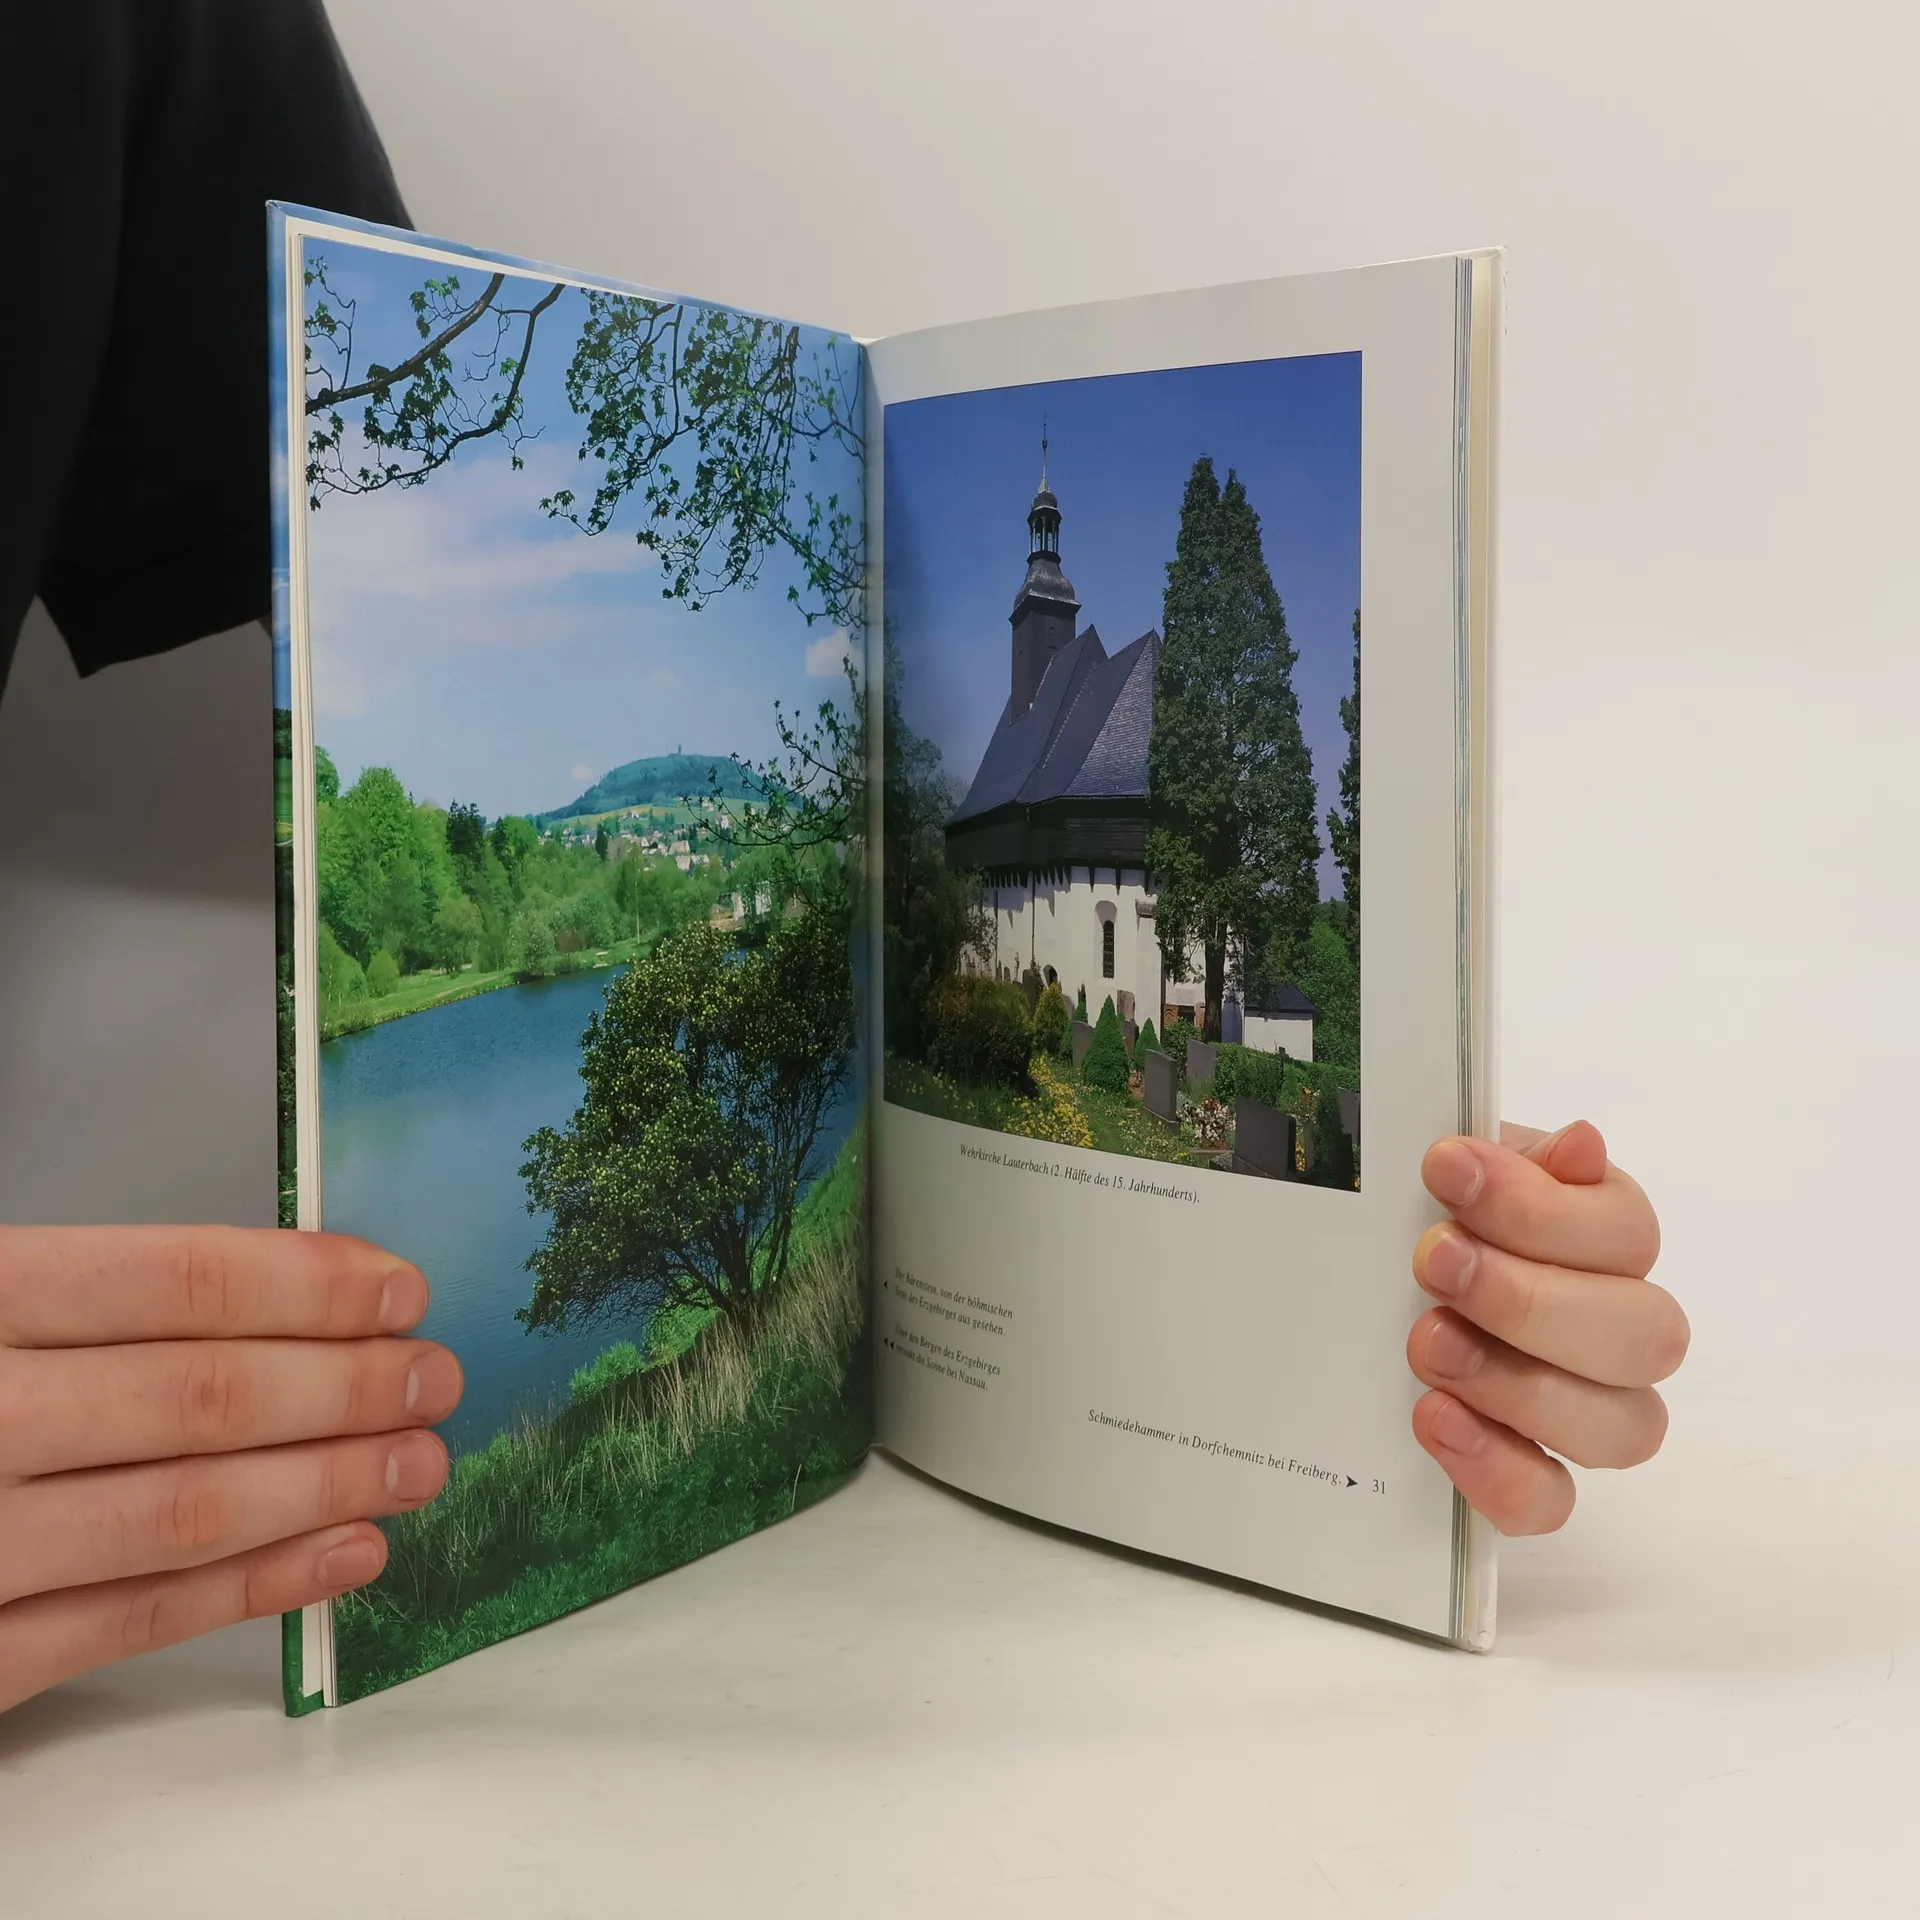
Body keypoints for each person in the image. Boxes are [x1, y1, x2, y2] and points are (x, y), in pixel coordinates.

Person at [0, 3, 1684, 1718]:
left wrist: (1401, 1173)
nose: (1042, 590)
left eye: (1045, 566)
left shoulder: (177, 46)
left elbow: (325, 529)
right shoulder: (1045, 721)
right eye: (1038, 575)